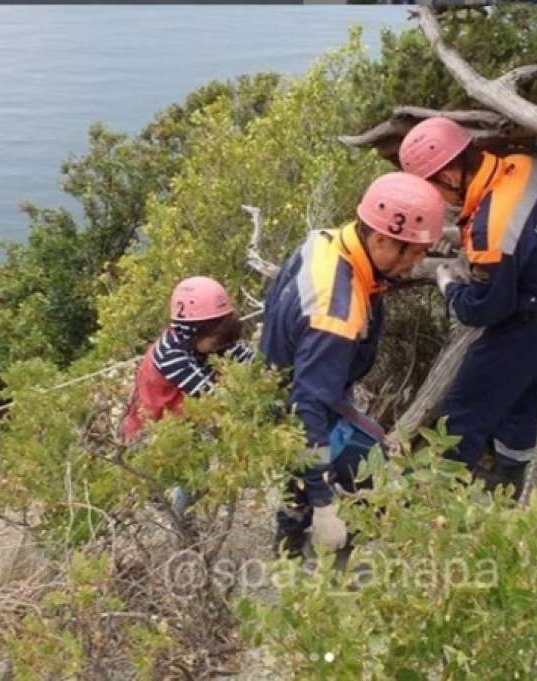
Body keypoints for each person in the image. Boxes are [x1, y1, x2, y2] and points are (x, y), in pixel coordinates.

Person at [260, 172, 445, 555]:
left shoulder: (327, 240)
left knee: (304, 467)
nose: (417, 261)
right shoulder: (335, 311)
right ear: (379, 239)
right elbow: (306, 411)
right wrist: (325, 506)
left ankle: (290, 542)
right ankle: (307, 545)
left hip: (288, 377)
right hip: (304, 399)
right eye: (411, 251)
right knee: (346, 469)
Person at [399, 116, 537, 501]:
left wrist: (448, 285)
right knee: (520, 402)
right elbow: (518, 228)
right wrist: (460, 236)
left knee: (463, 411)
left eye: (432, 188)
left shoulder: (490, 233)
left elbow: (482, 310)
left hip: (521, 325)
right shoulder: (528, 167)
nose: (436, 199)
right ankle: (511, 485)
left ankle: (435, 504)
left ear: (448, 174)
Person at [118, 276, 253, 507]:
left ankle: (187, 521)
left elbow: (247, 358)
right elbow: (210, 395)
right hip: (150, 429)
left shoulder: (211, 339)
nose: (221, 348)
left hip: (181, 420)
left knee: (195, 473)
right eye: (216, 343)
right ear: (193, 332)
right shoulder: (171, 355)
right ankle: (184, 527)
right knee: (176, 480)